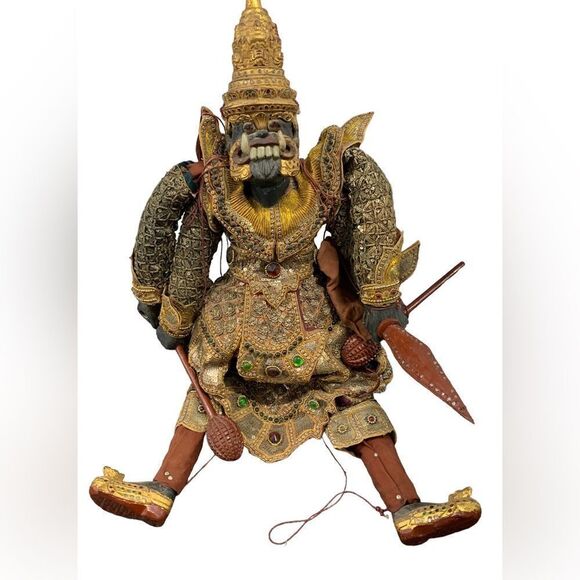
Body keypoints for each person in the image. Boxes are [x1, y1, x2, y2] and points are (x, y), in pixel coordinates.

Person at [90, 0, 481, 546]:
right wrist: (171, 312)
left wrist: (375, 302)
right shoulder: (217, 191)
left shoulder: (322, 182)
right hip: (234, 322)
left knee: (349, 392)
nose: (264, 139)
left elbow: (359, 229)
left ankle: (406, 506)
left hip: (312, 322)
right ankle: (161, 489)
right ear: (228, 138)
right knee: (209, 389)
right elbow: (192, 250)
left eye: (277, 126)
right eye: (248, 128)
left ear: (296, 129)